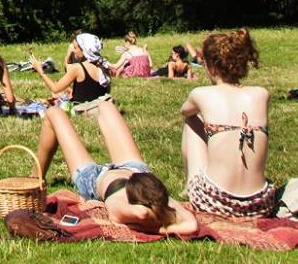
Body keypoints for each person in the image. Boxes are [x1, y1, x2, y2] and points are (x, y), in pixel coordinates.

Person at [30, 97, 200, 236]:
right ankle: (85, 109)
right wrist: (165, 227)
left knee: (54, 113)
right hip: (135, 171)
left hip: (93, 179)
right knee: (106, 106)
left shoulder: (120, 207)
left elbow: (142, 214)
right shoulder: (163, 202)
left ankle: (34, 178)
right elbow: (192, 225)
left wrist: (157, 228)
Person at [180, 29, 276, 218]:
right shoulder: (261, 94)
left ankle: (189, 185)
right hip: (261, 204)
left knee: (192, 119)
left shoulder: (201, 94)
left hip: (214, 201)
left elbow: (184, 111)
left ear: (211, 67)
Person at [23, 34, 110, 109]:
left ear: (84, 50)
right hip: (100, 108)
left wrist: (40, 71)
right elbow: (92, 90)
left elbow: (55, 89)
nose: (73, 50)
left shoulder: (78, 68)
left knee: (48, 101)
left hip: (82, 109)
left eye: (75, 48)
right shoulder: (104, 66)